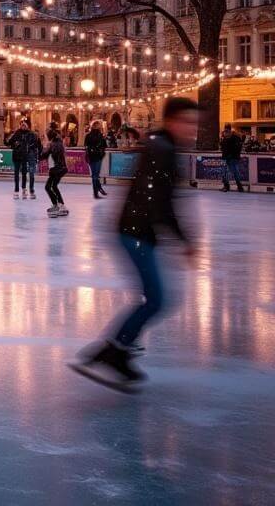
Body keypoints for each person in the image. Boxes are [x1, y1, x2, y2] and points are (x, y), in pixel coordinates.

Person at [74, 97, 198, 389]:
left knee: (154, 298)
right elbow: (160, 201)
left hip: (136, 231)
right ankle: (113, 350)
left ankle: (116, 349)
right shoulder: (162, 149)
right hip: (135, 233)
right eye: (187, 122)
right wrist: (182, 240)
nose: (192, 130)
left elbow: (160, 199)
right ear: (172, 120)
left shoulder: (161, 145)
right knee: (155, 298)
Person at [6, 120, 40, 200]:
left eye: (25, 125)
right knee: (16, 174)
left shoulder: (31, 134)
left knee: (24, 174)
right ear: (20, 125)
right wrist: (13, 141)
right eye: (22, 125)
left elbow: (36, 144)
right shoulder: (16, 133)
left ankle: (24, 189)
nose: (23, 126)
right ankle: (16, 190)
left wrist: (31, 150)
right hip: (16, 156)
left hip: (24, 157)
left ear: (27, 126)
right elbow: (8, 142)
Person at [41, 129, 68, 217]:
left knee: (48, 187)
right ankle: (61, 205)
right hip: (61, 168)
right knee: (54, 186)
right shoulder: (59, 143)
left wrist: (41, 150)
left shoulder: (53, 144)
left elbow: (44, 155)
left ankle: (56, 205)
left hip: (56, 169)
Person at [85, 121, 108, 199]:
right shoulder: (100, 136)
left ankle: (97, 190)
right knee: (96, 175)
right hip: (98, 157)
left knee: (94, 175)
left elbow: (86, 146)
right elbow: (105, 146)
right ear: (99, 127)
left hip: (91, 157)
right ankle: (97, 191)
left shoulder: (88, 136)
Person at [219, 124, 245, 193]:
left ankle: (239, 186)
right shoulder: (225, 137)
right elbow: (223, 147)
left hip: (232, 158)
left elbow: (237, 148)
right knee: (225, 172)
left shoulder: (235, 138)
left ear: (230, 130)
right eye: (225, 130)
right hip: (227, 157)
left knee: (234, 172)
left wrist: (231, 155)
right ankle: (227, 186)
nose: (225, 131)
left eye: (227, 130)